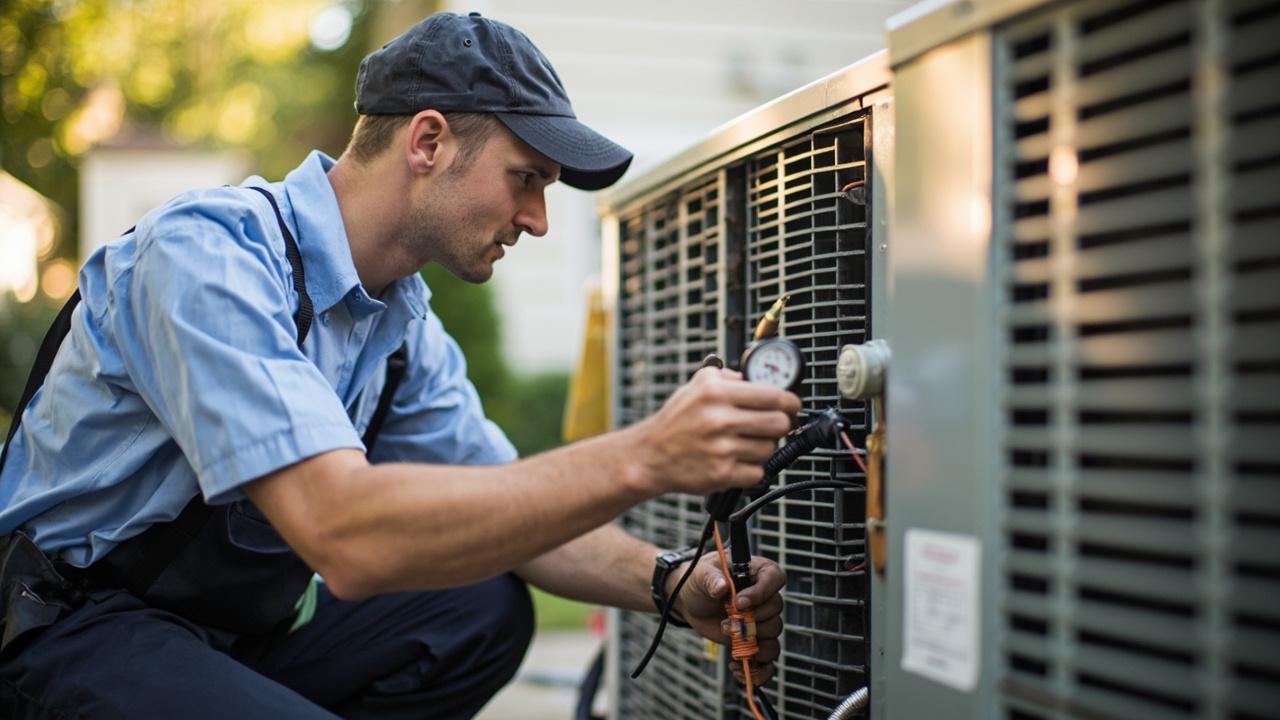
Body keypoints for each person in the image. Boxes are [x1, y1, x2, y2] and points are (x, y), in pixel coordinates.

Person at [0, 11, 799, 719]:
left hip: (217, 639)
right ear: (427, 142)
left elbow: (513, 517)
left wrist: (670, 582)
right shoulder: (210, 256)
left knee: (482, 610)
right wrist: (649, 455)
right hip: (68, 629)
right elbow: (343, 534)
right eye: (527, 180)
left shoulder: (401, 325)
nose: (539, 221)